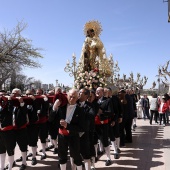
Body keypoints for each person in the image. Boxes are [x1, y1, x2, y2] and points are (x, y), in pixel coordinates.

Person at [56, 89, 85, 170]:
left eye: (74, 97)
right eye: (70, 96)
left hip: (73, 136)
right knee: (62, 157)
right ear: (67, 96)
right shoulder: (61, 107)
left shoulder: (80, 110)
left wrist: (67, 126)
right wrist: (54, 108)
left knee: (76, 156)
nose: (71, 99)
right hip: (62, 135)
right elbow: (51, 120)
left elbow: (82, 127)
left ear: (77, 98)